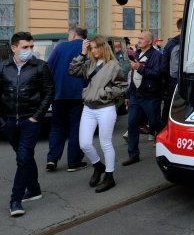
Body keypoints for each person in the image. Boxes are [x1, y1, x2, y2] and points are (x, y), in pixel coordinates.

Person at [0, 32, 54, 217]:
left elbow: (49, 92)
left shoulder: (40, 66)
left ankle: (15, 200)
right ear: (14, 48)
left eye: (31, 47)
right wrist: (2, 121)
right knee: (25, 157)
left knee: (23, 158)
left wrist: (37, 116)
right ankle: (35, 189)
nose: (29, 50)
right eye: (25, 47)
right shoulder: (3, 67)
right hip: (8, 122)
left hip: (30, 121)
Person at [69, 35, 127, 192]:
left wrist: (104, 93)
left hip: (105, 108)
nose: (94, 51)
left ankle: (109, 177)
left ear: (103, 47)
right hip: (88, 108)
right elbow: (72, 70)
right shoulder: (89, 64)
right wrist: (82, 53)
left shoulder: (113, 65)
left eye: (96, 47)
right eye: (91, 48)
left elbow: (122, 86)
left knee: (105, 143)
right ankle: (98, 166)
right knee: (84, 144)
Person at [46, 26, 88, 172]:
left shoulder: (60, 46)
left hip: (58, 93)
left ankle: (52, 159)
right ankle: (73, 162)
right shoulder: (87, 47)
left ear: (73, 34)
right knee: (76, 127)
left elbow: (48, 66)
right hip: (78, 94)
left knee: (57, 127)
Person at [122, 31, 162, 166]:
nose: (139, 40)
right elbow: (131, 76)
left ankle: (166, 149)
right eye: (138, 38)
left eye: (142, 38)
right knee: (132, 124)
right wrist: (128, 95)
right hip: (135, 96)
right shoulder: (137, 54)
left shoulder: (156, 55)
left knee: (156, 124)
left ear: (150, 42)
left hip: (150, 95)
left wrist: (140, 68)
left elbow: (157, 74)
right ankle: (133, 154)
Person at [159, 18, 182, 129]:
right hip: (176, 82)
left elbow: (164, 67)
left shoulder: (170, 44)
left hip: (169, 82)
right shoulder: (180, 43)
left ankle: (161, 132)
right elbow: (174, 70)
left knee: (168, 109)